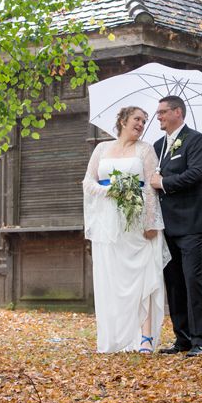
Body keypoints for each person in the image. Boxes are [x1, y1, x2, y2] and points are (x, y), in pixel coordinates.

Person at [83, 106, 170, 354]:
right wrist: (108, 191)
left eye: (144, 121)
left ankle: (145, 338)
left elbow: (151, 189)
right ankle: (114, 337)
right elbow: (88, 181)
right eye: (137, 119)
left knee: (143, 277)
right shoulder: (101, 149)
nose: (141, 124)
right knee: (112, 279)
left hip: (138, 221)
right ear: (122, 120)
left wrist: (151, 223)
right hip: (108, 225)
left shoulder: (145, 149)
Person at [150, 95, 202, 357]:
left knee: (192, 281)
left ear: (177, 112)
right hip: (166, 226)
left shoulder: (197, 140)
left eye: (162, 112)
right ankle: (183, 339)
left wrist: (164, 182)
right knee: (174, 283)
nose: (158, 117)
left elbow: (196, 174)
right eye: (157, 113)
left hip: (191, 223)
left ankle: (201, 341)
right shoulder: (157, 146)